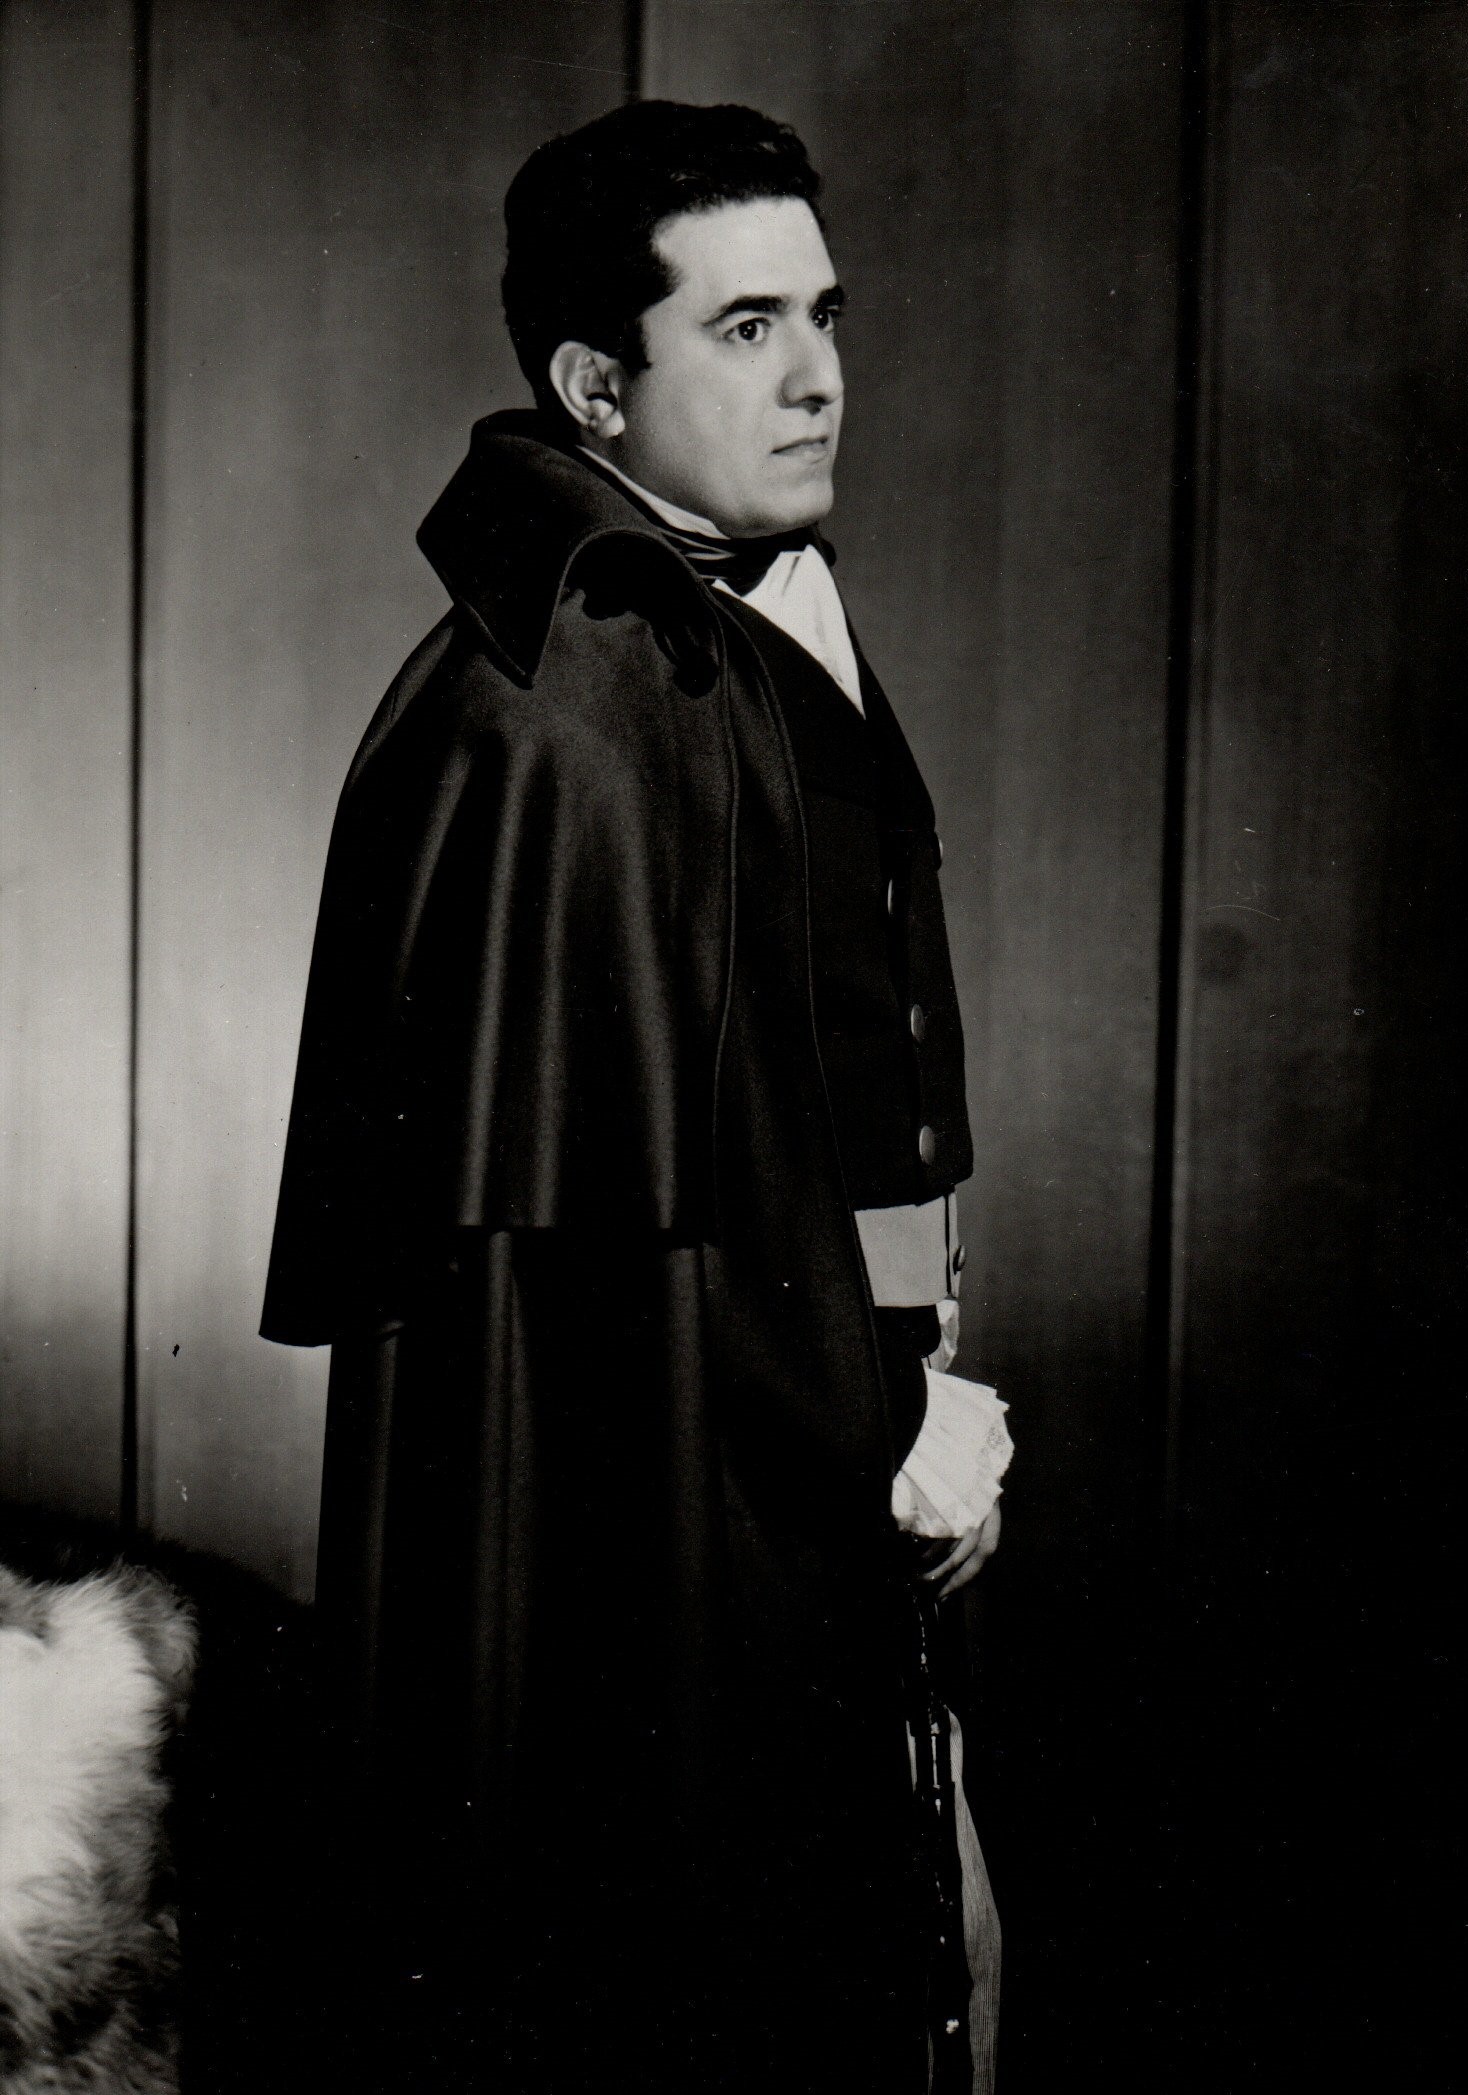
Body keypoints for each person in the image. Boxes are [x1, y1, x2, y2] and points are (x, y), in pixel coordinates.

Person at [262, 99, 1005, 2094]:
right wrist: (889, 1419)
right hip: (686, 1510)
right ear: (596, 388)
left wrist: (914, 1378)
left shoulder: (711, 628)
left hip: (803, 1447)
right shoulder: (576, 702)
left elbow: (805, 1098)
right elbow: (627, 1239)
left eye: (823, 315)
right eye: (744, 327)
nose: (816, 373)